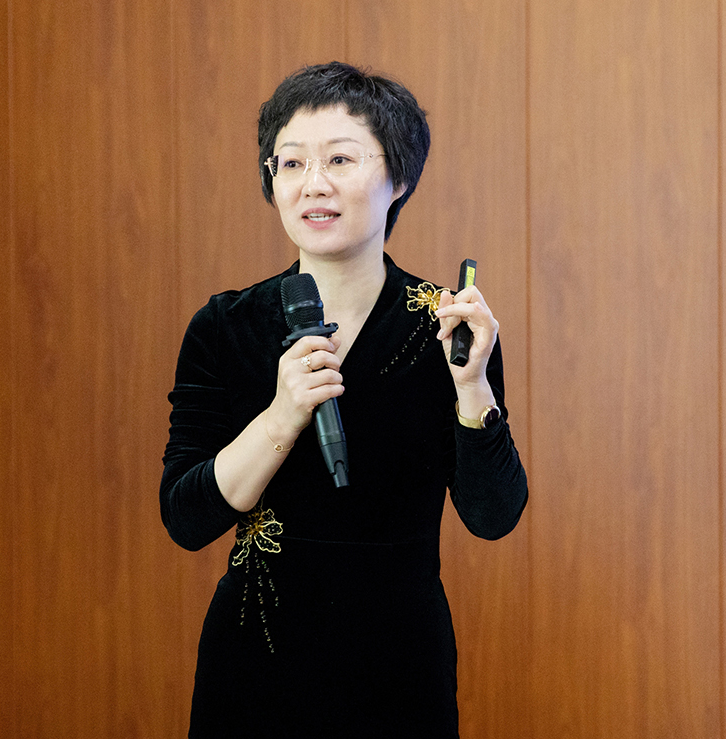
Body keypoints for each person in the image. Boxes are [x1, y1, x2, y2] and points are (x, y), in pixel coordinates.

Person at [160, 62, 527, 737]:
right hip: (254, 665)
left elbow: (493, 516)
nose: (313, 184)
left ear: (400, 177)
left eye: (339, 159)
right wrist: (282, 415)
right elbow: (185, 518)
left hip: (399, 666)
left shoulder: (447, 327)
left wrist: (472, 385)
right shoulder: (225, 327)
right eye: (291, 162)